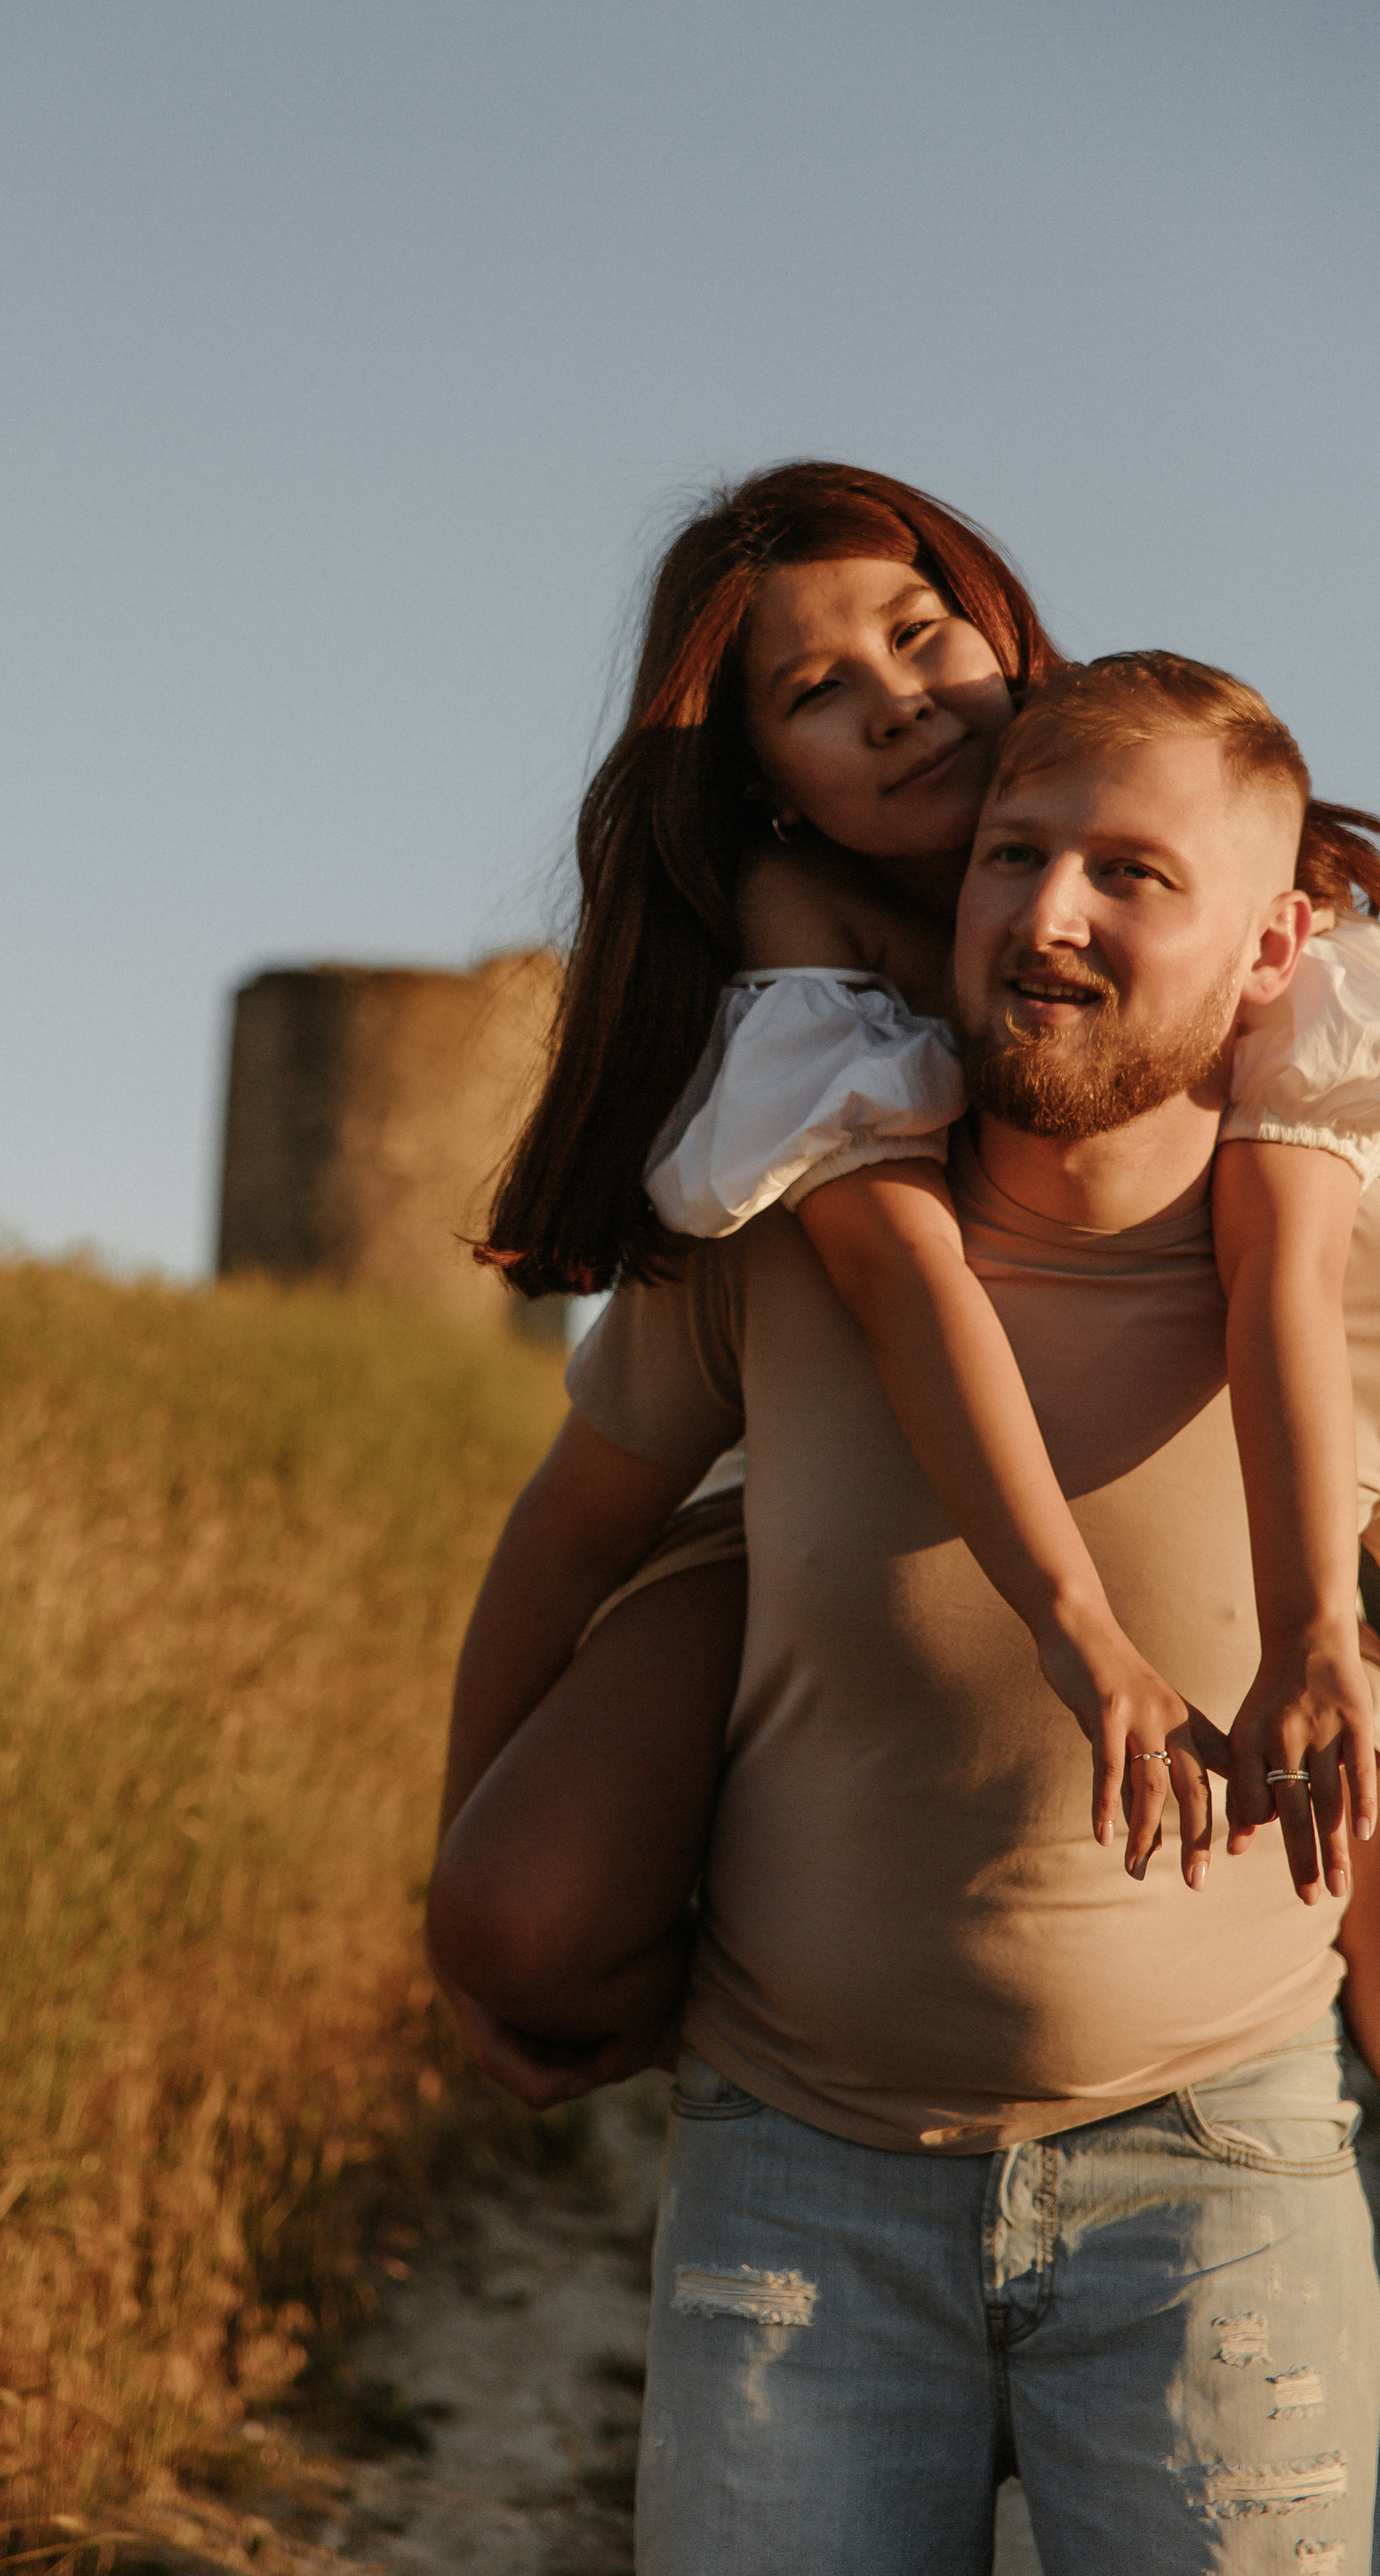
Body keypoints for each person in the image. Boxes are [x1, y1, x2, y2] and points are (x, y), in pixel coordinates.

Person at [449, 659, 1380, 2569]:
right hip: (802, 2175)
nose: (1047, 914)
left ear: (1278, 941)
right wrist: (467, 1902)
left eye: (1132, 873)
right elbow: (559, 1546)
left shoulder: (1340, 1275)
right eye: (1014, 856)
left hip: (1222, 2171)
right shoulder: (784, 1229)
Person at [428, 465, 1380, 2099]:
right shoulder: (802, 957)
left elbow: (1282, 1268)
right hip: (803, 1522)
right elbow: (901, 1293)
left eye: (918, 634)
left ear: (1004, 636)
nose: (890, 704)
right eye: (814, 694)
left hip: (1273, 1543)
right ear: (766, 785)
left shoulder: (1261, 940)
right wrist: (455, 1859)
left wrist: (1310, 1612)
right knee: (509, 1917)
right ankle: (739, 1992)